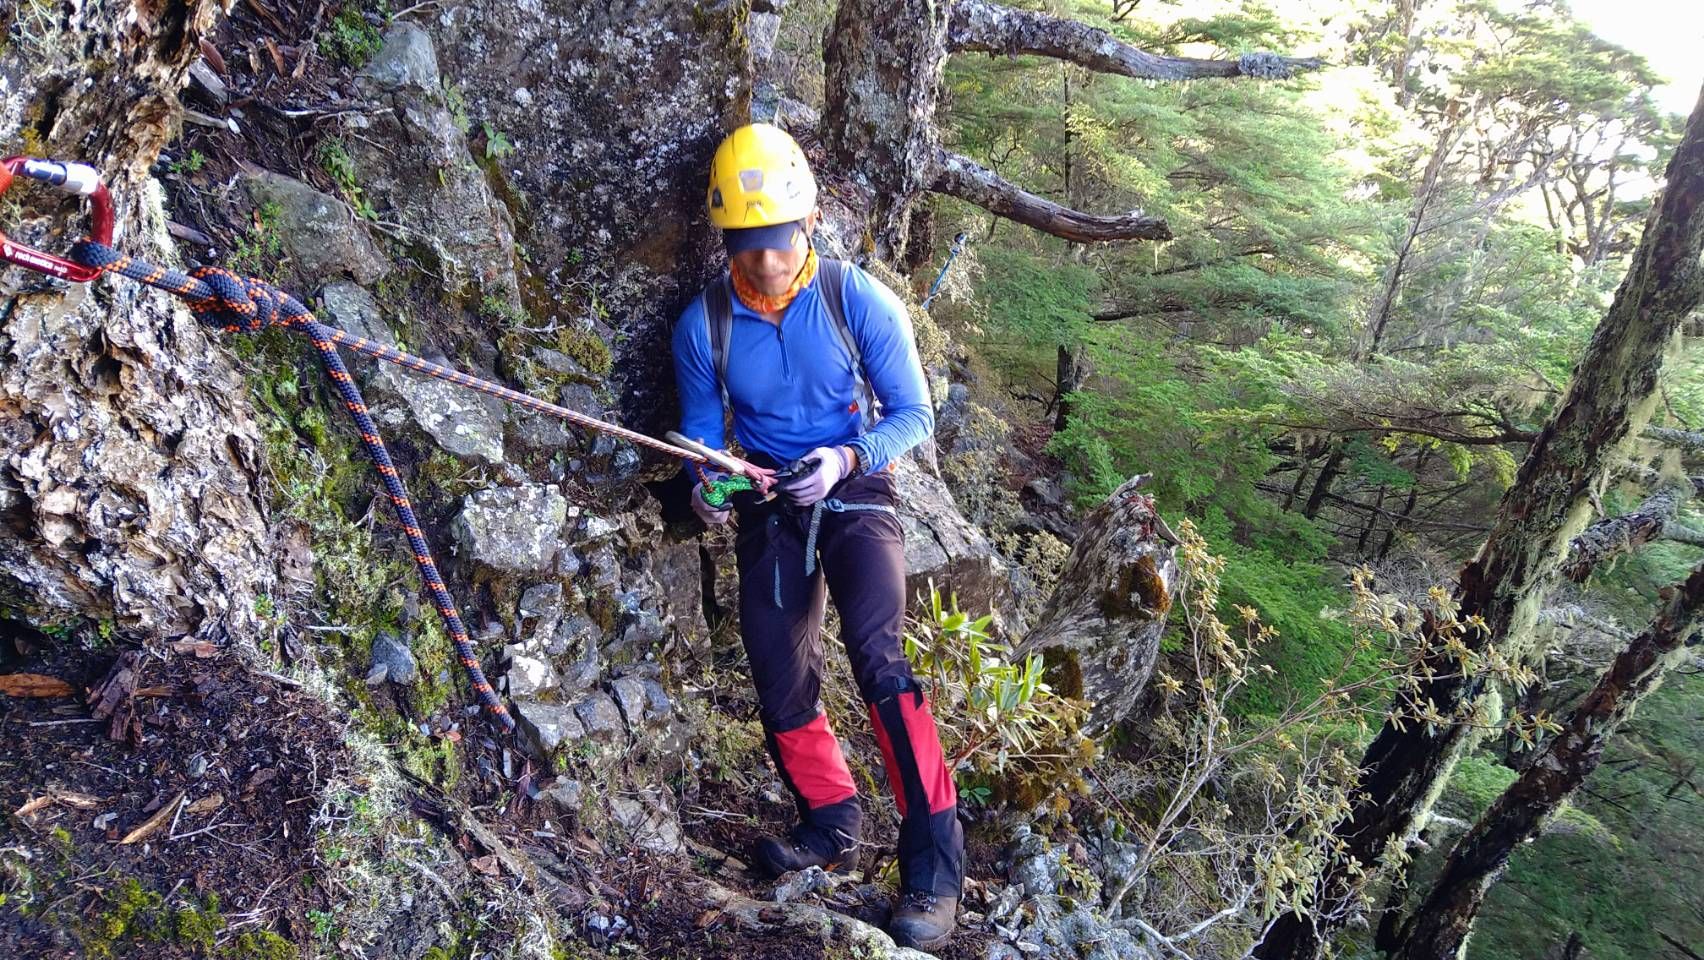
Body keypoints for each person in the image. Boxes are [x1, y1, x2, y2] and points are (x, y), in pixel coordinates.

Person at [671, 123, 962, 949]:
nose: (765, 263)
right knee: (777, 666)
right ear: (728, 237)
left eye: (779, 241)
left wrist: (844, 458)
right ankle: (831, 821)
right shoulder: (704, 326)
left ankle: (934, 871)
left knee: (880, 658)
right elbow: (699, 436)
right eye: (748, 244)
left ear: (809, 223)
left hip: (855, 482)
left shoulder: (855, 298)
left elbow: (913, 415)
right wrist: (710, 484)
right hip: (769, 492)